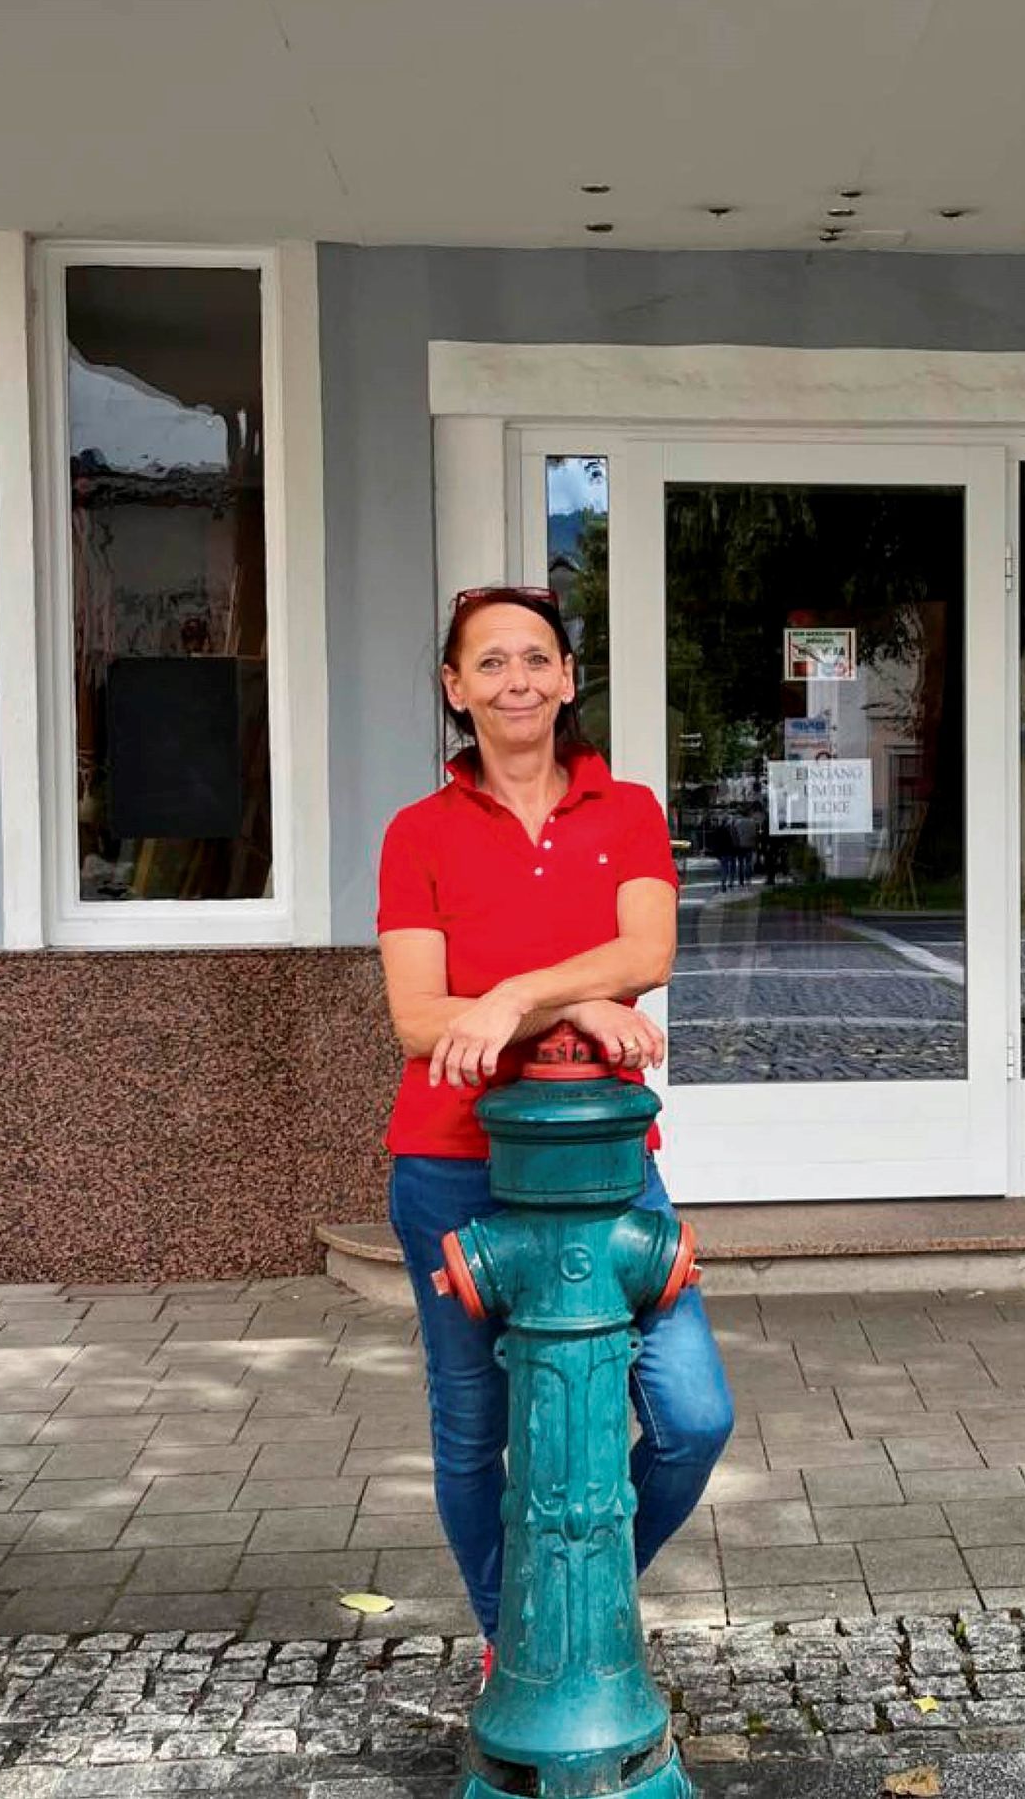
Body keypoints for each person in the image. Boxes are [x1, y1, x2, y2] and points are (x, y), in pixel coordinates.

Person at [374, 583, 734, 1650]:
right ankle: (515, 1638)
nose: (516, 681)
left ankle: (569, 1601)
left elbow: (648, 953)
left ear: (569, 679)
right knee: (472, 1428)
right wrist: (578, 1001)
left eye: (536, 659)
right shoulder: (417, 833)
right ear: (455, 688)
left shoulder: (627, 812)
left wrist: (511, 997)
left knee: (692, 1416)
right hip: (451, 1165)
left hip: (608, 1168)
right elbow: (417, 1019)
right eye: (489, 662)